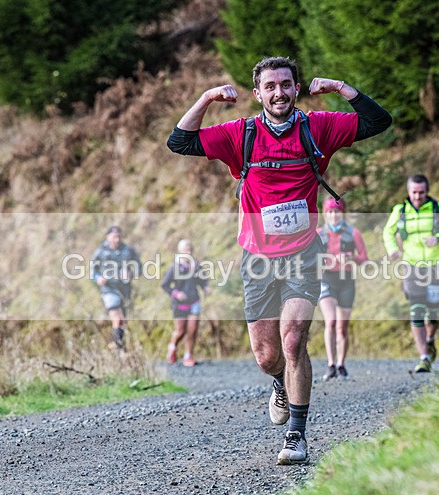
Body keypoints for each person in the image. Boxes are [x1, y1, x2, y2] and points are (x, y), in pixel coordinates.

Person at [167, 56, 391, 464]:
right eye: (270, 86)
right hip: (257, 259)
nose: (279, 93)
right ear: (258, 94)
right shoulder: (242, 133)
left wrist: (341, 88)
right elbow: (179, 141)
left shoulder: (318, 126)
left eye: (286, 85)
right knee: (267, 356)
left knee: (293, 340)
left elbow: (378, 122)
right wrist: (206, 97)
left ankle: (296, 435)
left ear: (296, 87)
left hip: (304, 254)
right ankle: (280, 385)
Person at [382, 174, 439, 373]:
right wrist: (392, 250)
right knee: (416, 310)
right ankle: (423, 357)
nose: (417, 196)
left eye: (421, 192)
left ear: (427, 191)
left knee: (433, 310)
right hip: (411, 266)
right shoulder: (400, 211)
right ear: (408, 191)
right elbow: (387, 233)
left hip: (435, 266)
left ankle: (430, 338)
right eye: (414, 192)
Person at [317, 197, 368, 381]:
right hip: (326, 279)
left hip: (346, 280)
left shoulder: (353, 233)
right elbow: (309, 259)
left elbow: (364, 258)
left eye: (337, 212)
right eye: (330, 212)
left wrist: (352, 258)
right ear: (325, 213)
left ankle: (341, 363)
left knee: (342, 327)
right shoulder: (318, 234)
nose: (334, 216)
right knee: (330, 321)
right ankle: (330, 364)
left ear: (342, 213)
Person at [91, 225, 141, 351]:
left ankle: (117, 343)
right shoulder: (100, 252)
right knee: (117, 318)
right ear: (108, 237)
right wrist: (98, 278)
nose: (117, 240)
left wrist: (131, 273)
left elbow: (139, 267)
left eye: (119, 237)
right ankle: (119, 347)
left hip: (124, 289)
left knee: (123, 321)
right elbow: (92, 270)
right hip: (108, 289)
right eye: (114, 237)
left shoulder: (128, 251)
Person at [161, 239, 211, 367]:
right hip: (179, 304)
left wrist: (205, 287)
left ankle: (188, 355)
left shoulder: (196, 266)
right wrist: (176, 293)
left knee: (192, 330)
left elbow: (202, 280)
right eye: (185, 250)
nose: (187, 252)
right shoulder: (175, 267)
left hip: (194, 301)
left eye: (189, 250)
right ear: (180, 252)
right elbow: (165, 285)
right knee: (180, 331)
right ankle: (172, 347)